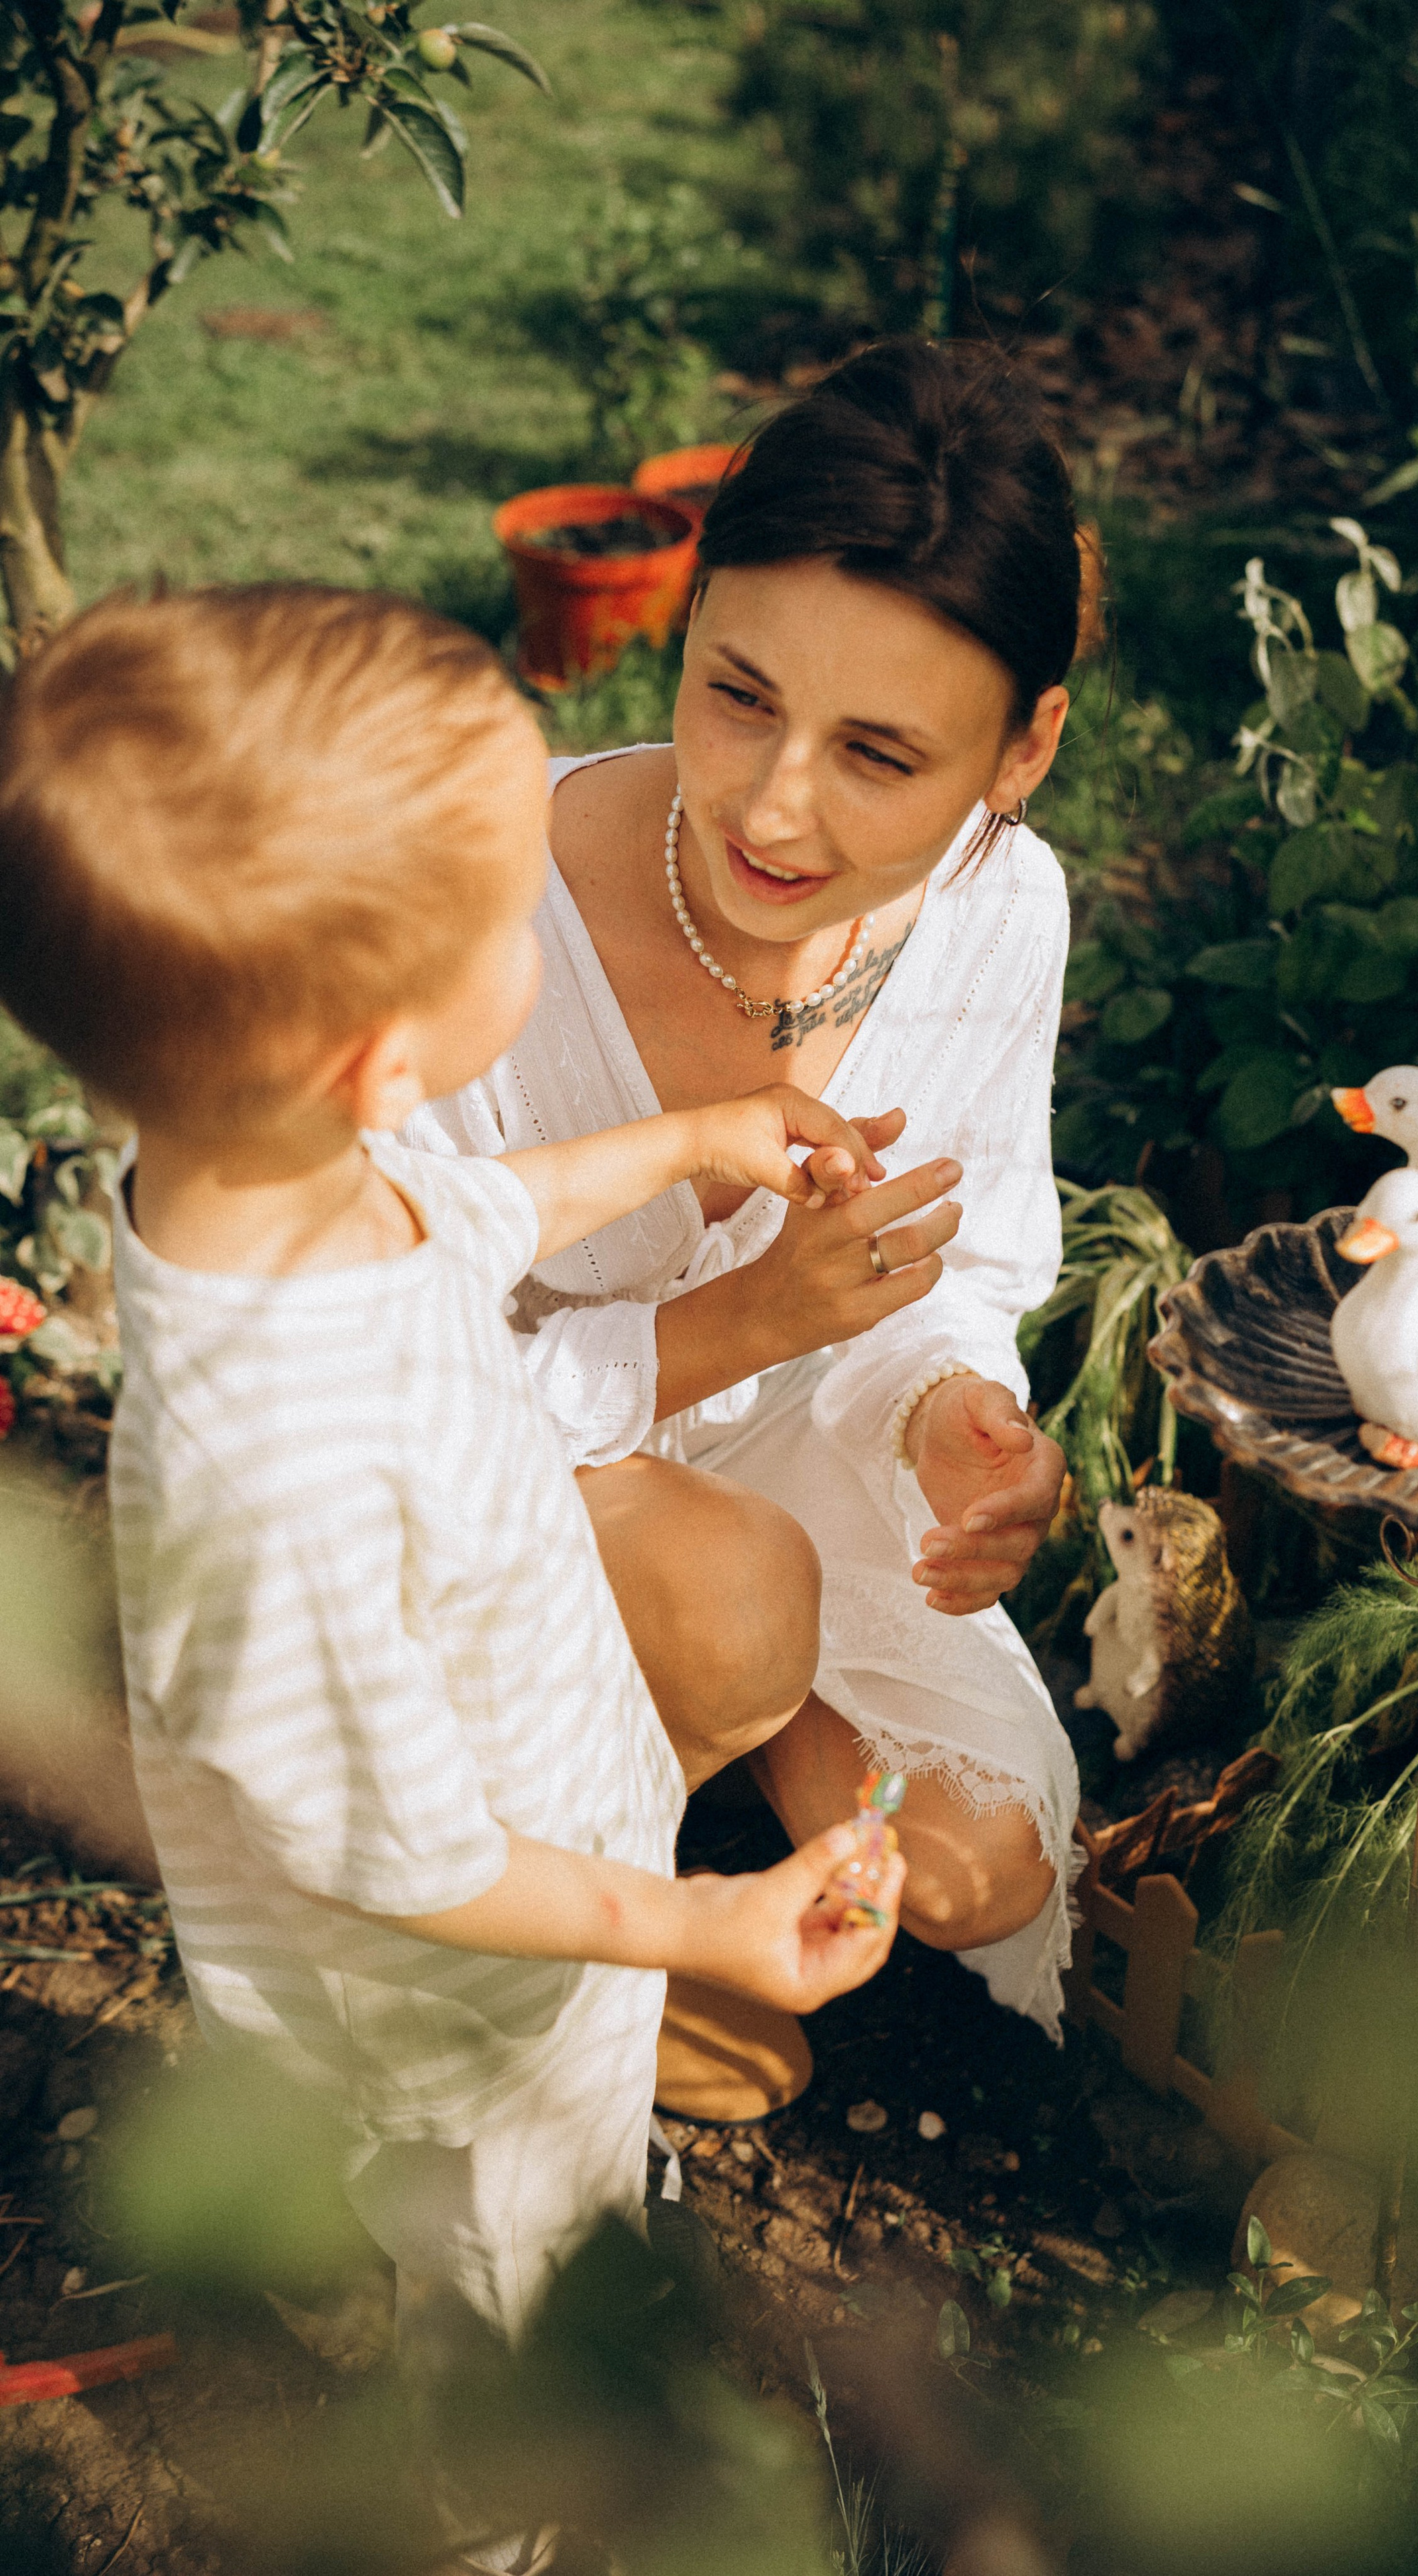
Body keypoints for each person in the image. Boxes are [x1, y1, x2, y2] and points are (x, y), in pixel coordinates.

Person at [0, 583, 907, 2575]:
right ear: (379, 1054)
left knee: (532, 2167)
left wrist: (692, 1133)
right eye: (514, 916)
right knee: (508, 2270)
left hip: (549, 1823)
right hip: (466, 1992)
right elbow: (408, 1862)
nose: (544, 928)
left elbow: (473, 1207)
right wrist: (698, 1927)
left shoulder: (288, 1175)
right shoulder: (277, 1466)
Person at [407, 337, 1085, 2101]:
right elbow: (384, 1376)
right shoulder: (480, 912)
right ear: (688, 618)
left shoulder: (1002, 913)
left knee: (976, 1866)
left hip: (790, 1444)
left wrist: (955, 1415)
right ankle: (523, 1947)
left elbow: (965, 1258)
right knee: (727, 1595)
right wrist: (749, 1321)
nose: (776, 806)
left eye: (880, 753)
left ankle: (726, 1732)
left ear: (1022, 748)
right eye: (739, 695)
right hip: (479, 1485)